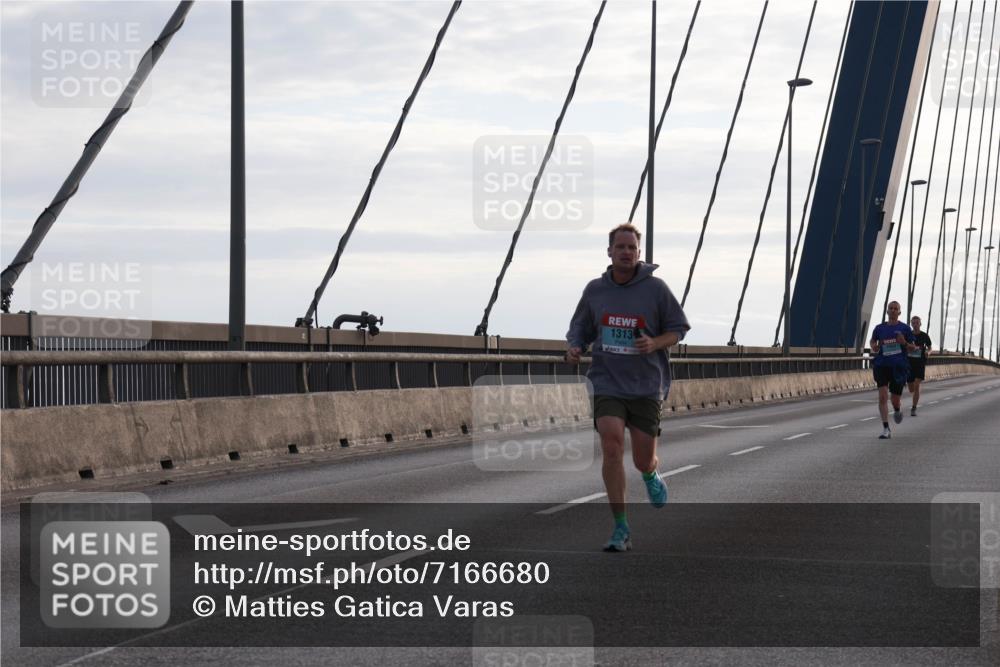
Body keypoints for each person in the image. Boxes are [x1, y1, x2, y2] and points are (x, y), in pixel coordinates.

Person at [565, 223, 690, 551]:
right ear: (609, 252)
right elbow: (580, 327)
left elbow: (678, 330)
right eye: (619, 247)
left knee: (642, 459)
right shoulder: (595, 290)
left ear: (638, 253)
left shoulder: (656, 289)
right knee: (611, 445)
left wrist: (655, 342)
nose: (625, 252)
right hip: (607, 381)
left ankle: (651, 474)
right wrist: (575, 346)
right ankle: (620, 527)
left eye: (631, 248)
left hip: (646, 385)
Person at [869, 301, 916, 439]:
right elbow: (872, 341)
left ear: (899, 312)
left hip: (898, 367)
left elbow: (913, 348)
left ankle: (897, 409)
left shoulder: (905, 329)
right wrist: (874, 346)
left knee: (895, 399)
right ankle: (886, 429)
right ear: (887, 311)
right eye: (891, 308)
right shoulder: (879, 328)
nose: (893, 311)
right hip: (881, 365)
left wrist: (904, 343)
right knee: (882, 396)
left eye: (896, 309)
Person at [906, 315, 932, 416]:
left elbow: (930, 348)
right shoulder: (908, 335)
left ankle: (913, 408)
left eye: (917, 323)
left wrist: (928, 353)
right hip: (909, 363)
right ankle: (915, 395)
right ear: (911, 324)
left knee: (916, 385)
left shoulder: (924, 336)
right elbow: (903, 346)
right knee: (911, 388)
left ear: (920, 324)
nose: (915, 325)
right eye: (913, 323)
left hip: (920, 363)